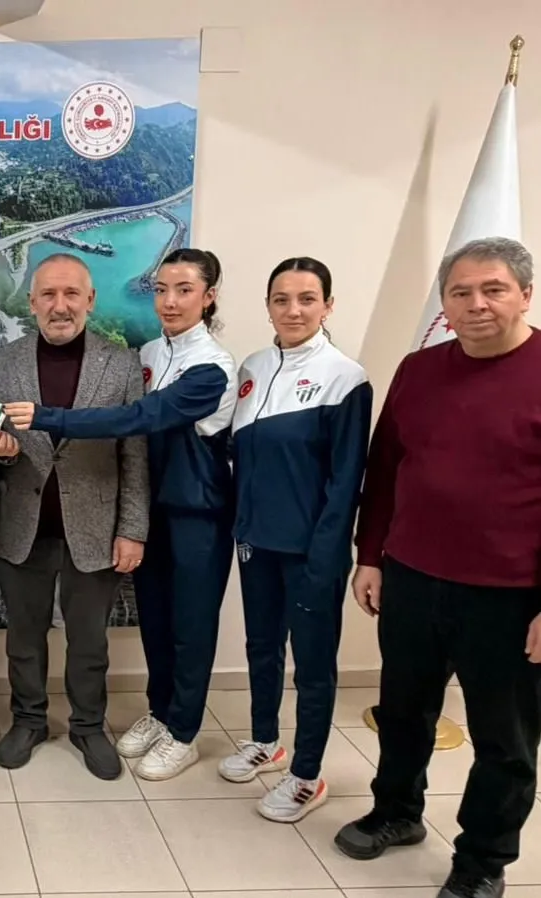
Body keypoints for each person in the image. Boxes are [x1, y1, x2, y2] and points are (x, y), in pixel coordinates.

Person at [334, 237, 541, 898]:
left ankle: (482, 861)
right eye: (460, 292)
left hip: (510, 595)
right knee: (402, 712)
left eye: (493, 289)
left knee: (504, 740)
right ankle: (396, 812)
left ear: (524, 295)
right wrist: (371, 555)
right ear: (445, 304)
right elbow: (386, 467)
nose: (476, 304)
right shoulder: (418, 369)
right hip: (412, 578)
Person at [4, 248, 238, 782]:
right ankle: (161, 712)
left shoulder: (213, 367)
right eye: (162, 289)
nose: (170, 301)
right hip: (153, 511)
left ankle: (183, 731)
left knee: (191, 629)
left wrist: (49, 417)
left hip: (196, 513)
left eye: (184, 290)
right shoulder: (150, 352)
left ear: (209, 297)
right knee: (156, 623)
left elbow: (138, 420)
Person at [0, 253, 149, 779]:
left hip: (95, 530)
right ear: (31, 303)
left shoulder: (121, 364)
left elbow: (134, 454)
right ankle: (28, 720)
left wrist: (132, 529)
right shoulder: (3, 362)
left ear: (90, 300)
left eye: (72, 294)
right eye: (49, 295)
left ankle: (88, 726)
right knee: (23, 640)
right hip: (22, 528)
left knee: (90, 643)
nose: (61, 306)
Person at [222, 257, 372, 822]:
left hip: (312, 551)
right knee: (261, 646)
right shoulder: (253, 367)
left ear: (327, 306)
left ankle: (307, 773)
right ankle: (266, 741)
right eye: (281, 299)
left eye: (307, 299)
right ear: (267, 306)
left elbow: (347, 479)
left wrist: (328, 554)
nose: (293, 310)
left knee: (312, 666)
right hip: (255, 541)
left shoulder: (345, 377)